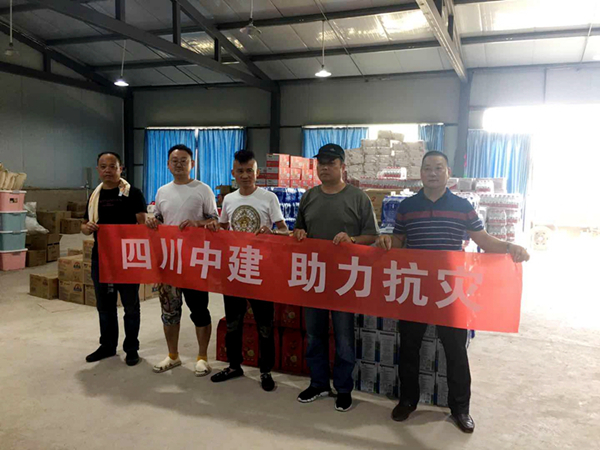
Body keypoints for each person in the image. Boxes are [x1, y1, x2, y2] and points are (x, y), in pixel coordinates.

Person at [376, 150, 530, 433]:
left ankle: (460, 408)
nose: (433, 173)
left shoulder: (462, 206)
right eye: (427, 168)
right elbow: (399, 240)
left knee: (456, 350)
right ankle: (407, 400)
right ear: (421, 173)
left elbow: (483, 240)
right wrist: (386, 241)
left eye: (438, 168)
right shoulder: (407, 206)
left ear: (448, 173)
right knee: (408, 346)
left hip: (451, 289)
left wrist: (510, 247)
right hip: (417, 287)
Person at [294, 143, 380, 412]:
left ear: (343, 167)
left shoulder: (358, 198)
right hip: (314, 278)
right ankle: (318, 383)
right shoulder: (309, 197)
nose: (325, 168)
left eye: (331, 163)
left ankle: (343, 388)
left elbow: (372, 236)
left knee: (343, 337)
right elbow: (299, 230)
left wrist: (352, 239)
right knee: (314, 335)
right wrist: (298, 234)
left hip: (345, 280)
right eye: (321, 163)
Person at [210, 149, 289, 392]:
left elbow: (284, 230)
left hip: (261, 270)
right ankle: (234, 365)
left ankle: (266, 370)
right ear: (233, 173)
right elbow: (223, 228)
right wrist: (214, 228)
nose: (245, 175)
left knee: (265, 325)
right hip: (235, 269)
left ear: (257, 173)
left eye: (249, 171)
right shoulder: (229, 199)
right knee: (233, 323)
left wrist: (272, 232)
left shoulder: (268, 198)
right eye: (240, 171)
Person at [146, 144, 220, 377]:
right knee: (169, 311)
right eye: (174, 161)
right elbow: (159, 218)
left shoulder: (203, 190)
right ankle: (173, 355)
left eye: (184, 160)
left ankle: (202, 358)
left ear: (192, 164)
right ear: (168, 164)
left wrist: (199, 223)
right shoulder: (162, 191)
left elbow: (215, 221)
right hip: (169, 262)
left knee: (199, 310)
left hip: (195, 262)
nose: (179, 164)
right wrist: (152, 221)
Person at [82, 152, 147, 366]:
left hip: (128, 258)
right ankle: (107, 346)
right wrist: (87, 227)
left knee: (130, 306)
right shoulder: (95, 196)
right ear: (98, 170)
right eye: (103, 166)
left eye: (112, 166)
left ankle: (131, 348)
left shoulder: (133, 193)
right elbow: (84, 225)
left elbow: (142, 222)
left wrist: (144, 221)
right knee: (105, 305)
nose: (108, 170)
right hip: (102, 257)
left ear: (121, 168)